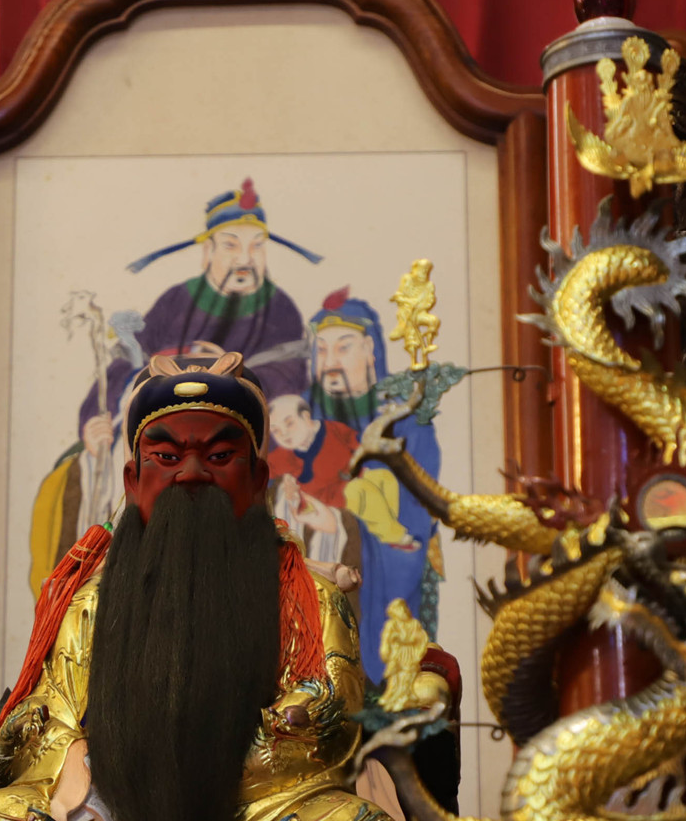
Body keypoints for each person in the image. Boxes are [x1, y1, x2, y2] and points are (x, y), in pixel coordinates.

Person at [0, 353, 430, 821]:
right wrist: (89, 760)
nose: (190, 473)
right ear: (134, 479)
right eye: (166, 455)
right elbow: (51, 717)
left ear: (258, 478)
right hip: (120, 815)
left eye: (218, 456)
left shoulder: (308, 598)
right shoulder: (91, 604)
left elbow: (334, 718)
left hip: (265, 814)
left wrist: (257, 737)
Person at [29, 179, 321, 595]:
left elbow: (289, 375)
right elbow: (127, 363)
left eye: (256, 247)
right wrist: (99, 418)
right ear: (207, 251)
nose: (245, 258)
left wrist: (227, 376)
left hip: (240, 433)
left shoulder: (281, 308)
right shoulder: (174, 302)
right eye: (231, 245)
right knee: (78, 471)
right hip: (163, 426)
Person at [306, 288, 443, 685]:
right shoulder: (301, 415)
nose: (331, 362)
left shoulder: (404, 420)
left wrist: (346, 518)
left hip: (380, 563)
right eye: (321, 350)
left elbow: (416, 506)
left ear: (370, 350)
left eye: (343, 347)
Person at [266, 393, 360, 572]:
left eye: (289, 423)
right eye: (276, 430)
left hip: (344, 511)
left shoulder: (338, 434)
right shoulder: (282, 456)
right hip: (308, 517)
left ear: (306, 417)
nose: (284, 434)